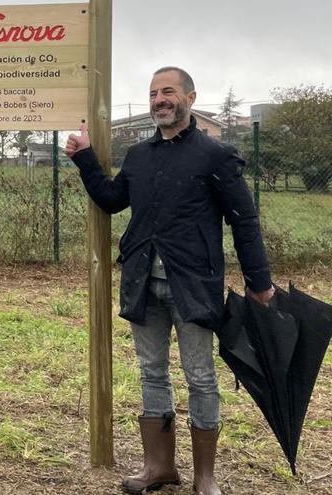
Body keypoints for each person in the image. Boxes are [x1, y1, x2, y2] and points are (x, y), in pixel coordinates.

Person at [65, 67, 274, 495]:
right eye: (153, 93)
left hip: (194, 285)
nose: (159, 99)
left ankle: (205, 476)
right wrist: (85, 157)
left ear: (190, 99)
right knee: (151, 373)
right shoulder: (140, 156)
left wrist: (259, 281)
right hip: (143, 281)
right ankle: (159, 466)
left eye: (168, 92)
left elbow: (244, 221)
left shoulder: (216, 155)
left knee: (200, 375)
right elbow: (110, 199)